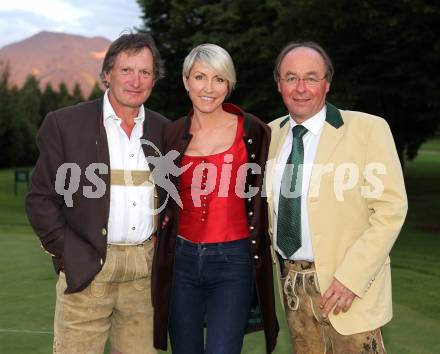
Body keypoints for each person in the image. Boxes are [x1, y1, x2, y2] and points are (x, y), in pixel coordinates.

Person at [26, 32, 168, 354]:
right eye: (126, 70)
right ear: (107, 74)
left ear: (154, 79)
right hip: (87, 272)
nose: (136, 80)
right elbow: (40, 198)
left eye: (145, 72)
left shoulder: (164, 130)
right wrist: (67, 252)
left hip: (144, 278)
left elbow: (172, 196)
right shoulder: (65, 124)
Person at [266, 41, 407, 353]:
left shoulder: (367, 129)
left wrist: (351, 279)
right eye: (291, 77)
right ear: (279, 84)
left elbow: (390, 210)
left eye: (311, 78)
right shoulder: (270, 134)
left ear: (327, 84)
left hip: (346, 292)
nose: (301, 88)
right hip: (292, 290)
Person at [151, 43, 279, 354]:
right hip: (181, 260)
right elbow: (163, 194)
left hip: (233, 261)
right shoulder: (171, 133)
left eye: (219, 79)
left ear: (229, 84)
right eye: (200, 77)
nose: (209, 88)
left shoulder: (253, 130)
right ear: (185, 80)